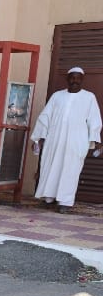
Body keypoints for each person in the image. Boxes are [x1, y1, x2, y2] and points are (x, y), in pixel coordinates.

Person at [31, 66, 102, 213]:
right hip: (54, 139)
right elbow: (46, 116)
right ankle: (49, 197)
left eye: (77, 78)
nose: (74, 81)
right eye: (72, 77)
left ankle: (65, 201)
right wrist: (40, 137)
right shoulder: (57, 96)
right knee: (50, 166)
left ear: (82, 80)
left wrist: (96, 139)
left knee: (71, 169)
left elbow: (94, 120)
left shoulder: (89, 97)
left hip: (76, 140)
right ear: (67, 79)